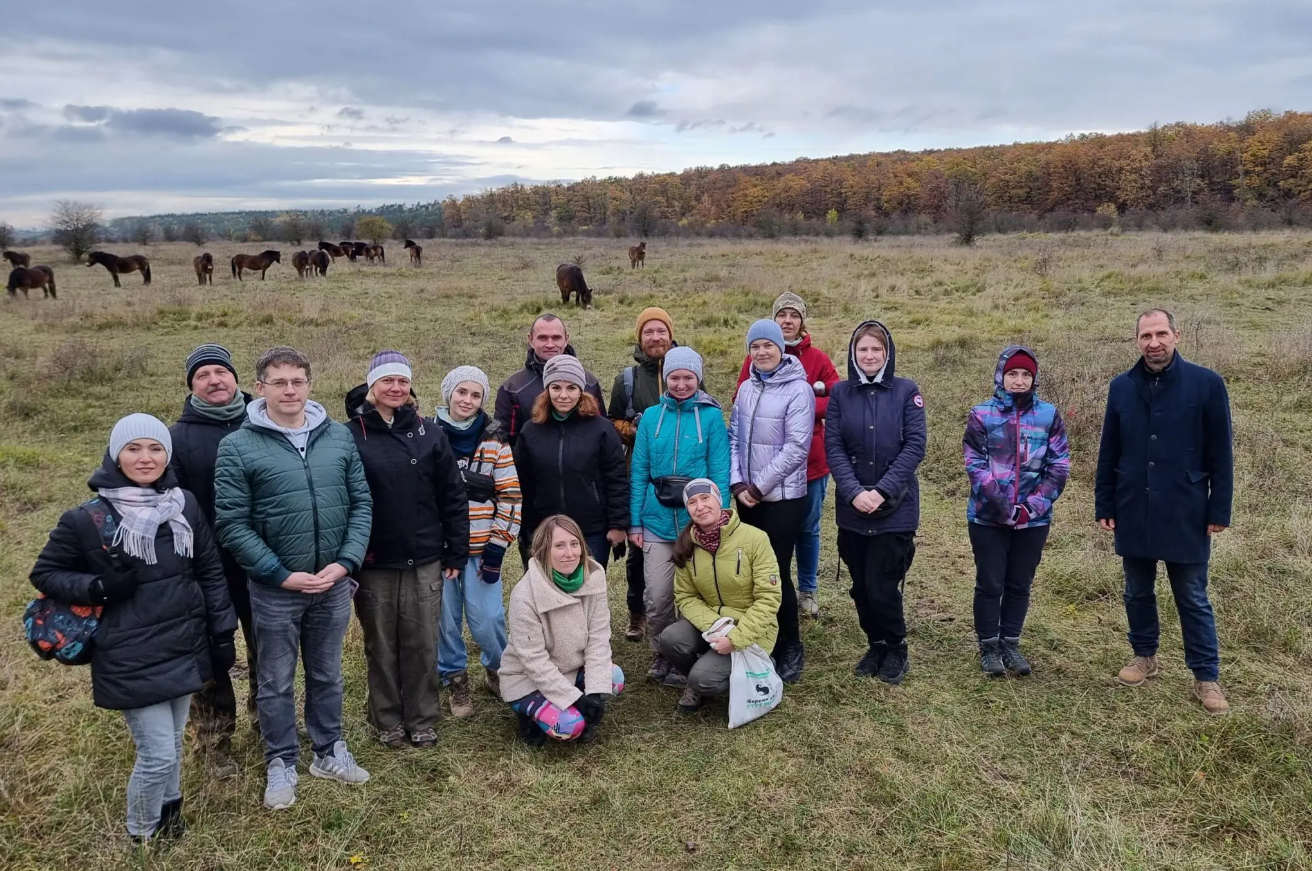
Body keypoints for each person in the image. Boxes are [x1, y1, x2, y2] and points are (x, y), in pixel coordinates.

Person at [31, 414, 236, 843]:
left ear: (168, 455)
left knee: (175, 742)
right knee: (158, 752)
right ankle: (141, 834)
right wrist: (98, 587)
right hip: (128, 651)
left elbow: (210, 569)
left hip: (182, 639)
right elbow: (46, 574)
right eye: (134, 449)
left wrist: (221, 628)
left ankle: (170, 816)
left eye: (156, 448)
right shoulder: (86, 520)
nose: (146, 458)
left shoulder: (184, 505)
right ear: (115, 456)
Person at [215, 346, 373, 810]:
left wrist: (344, 564)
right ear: (259, 387)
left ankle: (329, 750)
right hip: (276, 590)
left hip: (332, 584)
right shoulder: (238, 446)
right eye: (278, 382)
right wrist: (279, 575)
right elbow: (232, 523)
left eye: (297, 381)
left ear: (309, 385)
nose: (289, 390)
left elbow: (361, 504)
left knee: (327, 674)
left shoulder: (338, 438)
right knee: (276, 679)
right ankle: (280, 760)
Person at [1096, 309, 1233, 715]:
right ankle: (1144, 655)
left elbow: (1220, 452)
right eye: (1145, 336)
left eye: (1160, 334)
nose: (1153, 342)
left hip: (1186, 508)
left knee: (1192, 596)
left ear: (1177, 335)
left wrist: (1219, 508)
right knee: (1136, 590)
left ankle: (1206, 676)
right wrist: (1105, 502)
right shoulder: (1121, 387)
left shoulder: (1207, 384)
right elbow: (1110, 450)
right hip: (1133, 504)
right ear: (1136, 341)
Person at [345, 351, 469, 748]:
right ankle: (386, 720)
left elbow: (452, 495)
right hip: (373, 560)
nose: (396, 388)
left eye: (402, 381)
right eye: (387, 381)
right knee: (380, 644)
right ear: (371, 387)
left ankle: (422, 718)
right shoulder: (349, 436)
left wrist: (456, 551)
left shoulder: (430, 433)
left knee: (421, 643)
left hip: (425, 558)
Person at [168, 343, 256, 779]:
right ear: (191, 385)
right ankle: (215, 739)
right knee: (210, 657)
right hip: (204, 569)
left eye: (221, 371)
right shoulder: (175, 438)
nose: (214, 380)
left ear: (236, 378)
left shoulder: (265, 421)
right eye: (202, 375)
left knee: (269, 650)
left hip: (261, 563)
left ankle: (268, 722)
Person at [825, 320, 926, 685]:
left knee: (882, 584)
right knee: (860, 586)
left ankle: (896, 646)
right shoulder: (840, 394)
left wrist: (882, 491)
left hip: (894, 509)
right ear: (854, 354)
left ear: (887, 354)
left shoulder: (906, 391)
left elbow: (915, 446)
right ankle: (875, 644)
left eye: (876, 350)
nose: (869, 356)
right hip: (852, 510)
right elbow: (833, 447)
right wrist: (854, 492)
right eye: (863, 350)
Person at [964, 346, 1070, 677]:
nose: (1019, 381)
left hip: (1033, 521)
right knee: (990, 582)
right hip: (987, 517)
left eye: (1026, 375)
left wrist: (1030, 508)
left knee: (1020, 582)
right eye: (1013, 374)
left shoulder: (1048, 415)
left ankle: (1011, 642)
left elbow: (1059, 465)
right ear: (1001, 376)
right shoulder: (982, 415)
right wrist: (1005, 507)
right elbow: (975, 464)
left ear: (1034, 379)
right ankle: (989, 646)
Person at [628, 346, 730, 686]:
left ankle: (686, 652)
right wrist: (635, 521)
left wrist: (720, 518)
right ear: (665, 378)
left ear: (698, 379)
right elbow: (638, 471)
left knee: (696, 593)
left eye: (688, 377)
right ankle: (661, 650)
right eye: (675, 377)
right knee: (657, 595)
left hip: (696, 521)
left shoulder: (712, 417)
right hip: (655, 519)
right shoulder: (651, 418)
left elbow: (719, 469)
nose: (681, 384)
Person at [735, 293, 840, 618]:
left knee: (808, 529)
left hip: (810, 463)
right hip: (762, 472)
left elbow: (837, 399)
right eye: (782, 314)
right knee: (767, 541)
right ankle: (768, 599)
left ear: (801, 321)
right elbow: (742, 399)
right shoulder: (755, 364)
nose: (788, 320)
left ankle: (807, 591)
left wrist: (807, 405)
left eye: (794, 315)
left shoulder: (818, 359)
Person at [728, 319, 814, 684]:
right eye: (755, 346)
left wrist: (758, 487)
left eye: (768, 345)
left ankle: (790, 644)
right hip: (747, 496)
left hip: (781, 498)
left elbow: (797, 448)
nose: (761, 352)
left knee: (775, 572)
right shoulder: (746, 387)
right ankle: (760, 637)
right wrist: (736, 483)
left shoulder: (799, 390)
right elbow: (734, 435)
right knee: (750, 571)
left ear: (782, 348)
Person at [433, 365, 521, 718]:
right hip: (440, 552)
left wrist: (498, 546)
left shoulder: (495, 442)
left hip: (482, 550)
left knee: (487, 619)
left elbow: (511, 497)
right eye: (461, 392)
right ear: (448, 395)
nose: (467, 400)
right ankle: (454, 677)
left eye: (475, 395)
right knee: (445, 619)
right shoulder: (428, 435)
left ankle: (498, 669)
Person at [658, 480, 782, 715]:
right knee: (670, 639)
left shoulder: (755, 539)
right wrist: (716, 627)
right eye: (692, 502)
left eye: (705, 498)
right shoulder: (687, 544)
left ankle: (757, 669)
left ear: (719, 500)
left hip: (752, 630)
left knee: (702, 679)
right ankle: (703, 674)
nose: (700, 507)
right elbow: (684, 596)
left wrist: (736, 638)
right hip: (712, 626)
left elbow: (769, 598)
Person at [499, 515, 624, 745]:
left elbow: (599, 639)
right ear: (543, 551)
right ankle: (528, 716)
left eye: (574, 544)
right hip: (528, 678)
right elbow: (533, 660)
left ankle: (583, 710)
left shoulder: (594, 580)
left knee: (614, 678)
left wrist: (594, 693)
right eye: (559, 545)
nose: (569, 553)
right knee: (568, 726)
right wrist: (575, 698)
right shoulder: (524, 594)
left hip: (572, 668)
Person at [513, 354, 629, 569]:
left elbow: (616, 479)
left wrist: (618, 524)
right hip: (545, 528)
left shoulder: (602, 429)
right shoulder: (530, 430)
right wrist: (526, 527)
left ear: (581, 390)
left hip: (592, 530)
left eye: (571, 388)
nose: (563, 395)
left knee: (589, 593)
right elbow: (523, 483)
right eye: (556, 387)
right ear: (547, 390)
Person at [610, 307, 677, 643]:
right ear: (640, 338)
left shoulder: (684, 371)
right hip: (640, 474)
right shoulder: (628, 380)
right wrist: (636, 431)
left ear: (670, 334)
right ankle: (637, 613)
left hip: (680, 477)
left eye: (660, 331)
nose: (655, 338)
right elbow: (611, 422)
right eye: (648, 332)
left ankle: (676, 611)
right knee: (639, 549)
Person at [494, 313, 605, 447]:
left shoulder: (589, 382)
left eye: (556, 338)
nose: (550, 344)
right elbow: (504, 441)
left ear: (566, 338)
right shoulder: (512, 388)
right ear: (531, 340)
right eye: (542, 338)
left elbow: (602, 430)